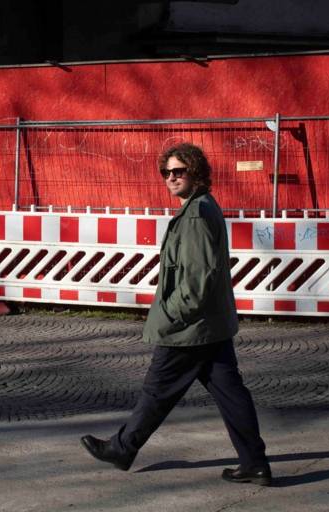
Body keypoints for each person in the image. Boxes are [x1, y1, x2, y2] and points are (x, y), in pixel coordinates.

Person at [81, 143, 272, 486]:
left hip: (191, 327)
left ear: (195, 172)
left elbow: (197, 280)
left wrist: (172, 314)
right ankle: (254, 462)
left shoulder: (197, 214)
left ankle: (123, 448)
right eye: (166, 172)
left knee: (157, 391)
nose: (171, 178)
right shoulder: (200, 208)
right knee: (231, 393)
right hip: (210, 326)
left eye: (178, 171)